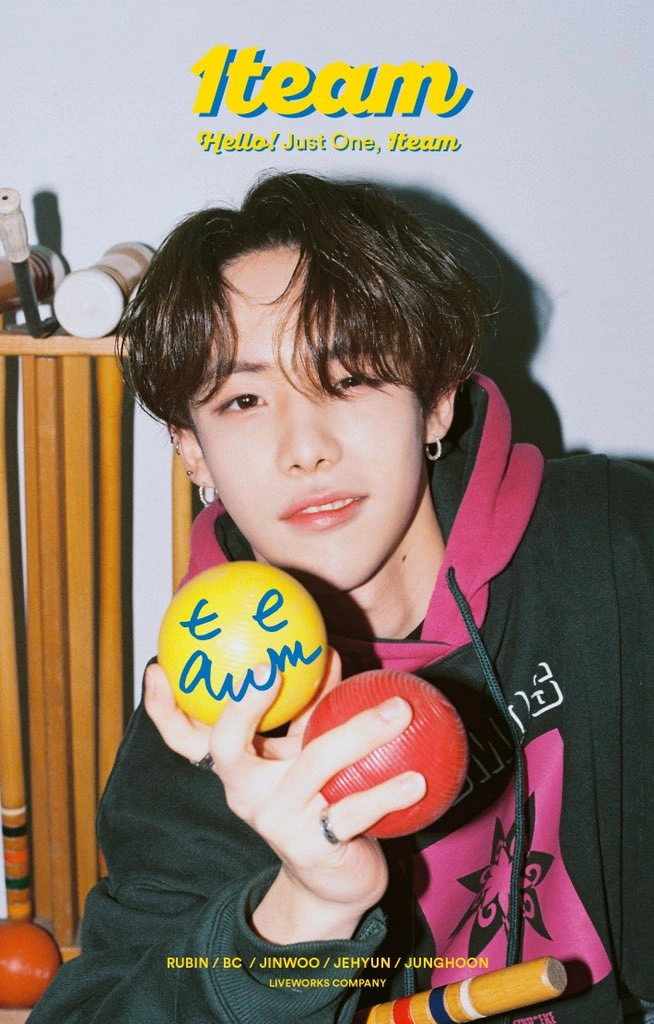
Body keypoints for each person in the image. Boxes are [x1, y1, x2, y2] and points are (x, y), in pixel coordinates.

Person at [28, 173, 653, 1023]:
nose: (306, 447)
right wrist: (302, 913)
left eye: (349, 377)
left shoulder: (612, 545)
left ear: (436, 399)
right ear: (193, 451)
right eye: (245, 399)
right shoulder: (207, 726)